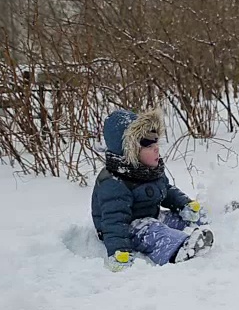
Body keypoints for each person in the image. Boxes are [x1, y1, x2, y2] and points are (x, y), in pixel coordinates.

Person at [91, 108, 214, 272]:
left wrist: (184, 205)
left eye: (157, 142)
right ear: (130, 152)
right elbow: (114, 221)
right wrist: (118, 251)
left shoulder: (148, 170)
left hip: (149, 215)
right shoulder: (114, 183)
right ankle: (178, 248)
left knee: (176, 218)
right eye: (149, 146)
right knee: (153, 231)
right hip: (125, 229)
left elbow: (166, 191)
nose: (157, 148)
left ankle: (211, 217)